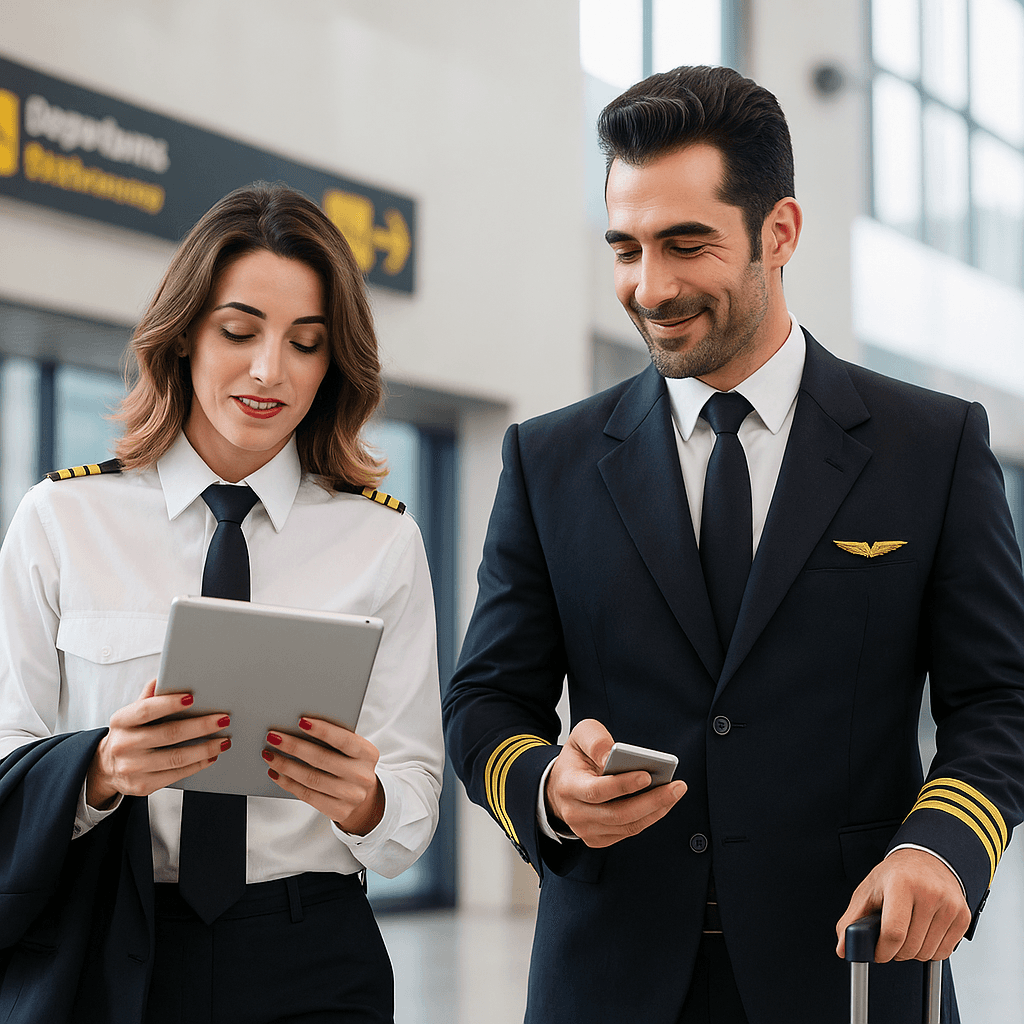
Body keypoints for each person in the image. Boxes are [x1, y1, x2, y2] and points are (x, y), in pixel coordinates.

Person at [442, 66, 1024, 1024]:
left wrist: (942, 848)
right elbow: (485, 699)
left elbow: (998, 699)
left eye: (685, 243)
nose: (650, 286)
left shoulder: (933, 446)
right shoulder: (547, 460)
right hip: (609, 978)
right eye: (624, 248)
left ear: (779, 231)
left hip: (848, 971)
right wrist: (547, 786)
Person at [0, 182, 444, 1024]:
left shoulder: (381, 542)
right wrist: (98, 772)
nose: (270, 370)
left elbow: (414, 803)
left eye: (306, 344)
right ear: (183, 338)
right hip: (107, 949)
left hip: (310, 954)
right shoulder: (61, 521)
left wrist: (366, 800)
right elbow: (7, 761)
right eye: (239, 331)